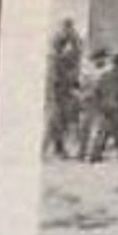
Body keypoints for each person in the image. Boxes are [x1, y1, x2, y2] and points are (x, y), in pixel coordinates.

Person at [46, 18, 84, 157]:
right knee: (56, 120)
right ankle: (55, 148)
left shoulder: (67, 55)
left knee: (63, 120)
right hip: (57, 92)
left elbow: (78, 49)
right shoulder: (55, 57)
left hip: (64, 91)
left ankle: (59, 147)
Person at [75, 48, 109, 161]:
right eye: (104, 57)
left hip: (85, 100)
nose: (105, 60)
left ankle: (82, 153)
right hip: (97, 101)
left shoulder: (85, 71)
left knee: (85, 128)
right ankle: (93, 154)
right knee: (97, 128)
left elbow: (78, 85)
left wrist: (81, 96)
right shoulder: (103, 72)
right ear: (99, 58)